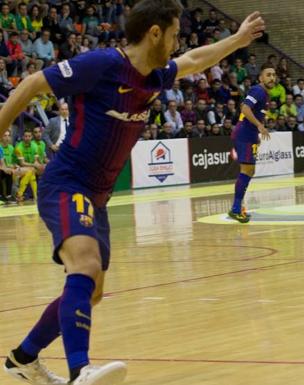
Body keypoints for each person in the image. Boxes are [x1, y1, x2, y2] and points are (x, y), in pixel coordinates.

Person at [0, 1, 265, 384]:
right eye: (173, 35)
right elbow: (31, 83)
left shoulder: (156, 76)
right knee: (85, 265)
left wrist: (238, 40)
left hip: (99, 196)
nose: (177, 44)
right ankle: (80, 372)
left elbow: (195, 60)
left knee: (89, 292)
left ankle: (23, 358)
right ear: (154, 33)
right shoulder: (102, 65)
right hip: (67, 182)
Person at [228, 63, 275, 223]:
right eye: (268, 74)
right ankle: (235, 209)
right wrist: (259, 126)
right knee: (247, 170)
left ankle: (237, 207)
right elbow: (245, 108)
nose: (272, 78)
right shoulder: (258, 90)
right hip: (244, 134)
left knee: (250, 171)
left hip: (249, 135)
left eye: (273, 75)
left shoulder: (265, 94)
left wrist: (256, 135)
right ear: (261, 77)